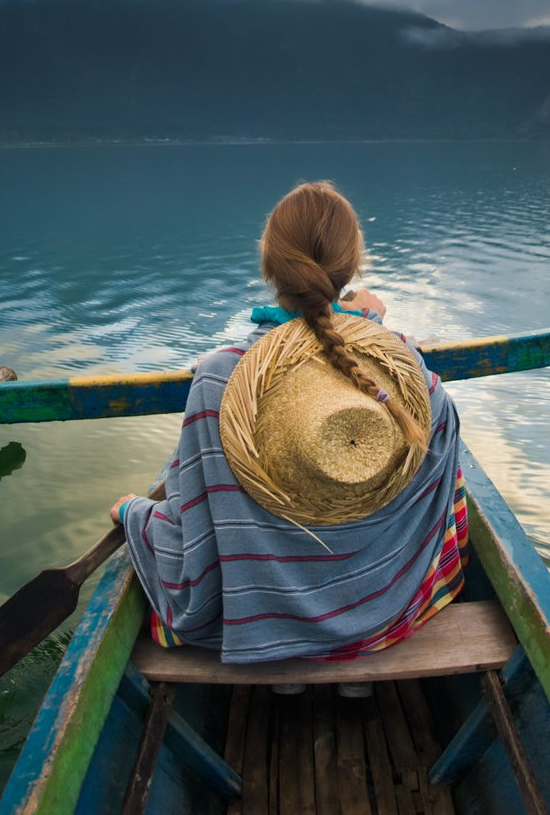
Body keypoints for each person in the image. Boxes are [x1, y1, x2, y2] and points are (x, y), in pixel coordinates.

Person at [107, 181, 468, 668]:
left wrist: (133, 514)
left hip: (251, 623)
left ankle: (280, 652)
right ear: (353, 265)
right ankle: (360, 638)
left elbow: (191, 515)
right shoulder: (405, 368)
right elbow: (442, 458)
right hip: (384, 615)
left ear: (270, 264)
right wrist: (376, 330)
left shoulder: (222, 377)